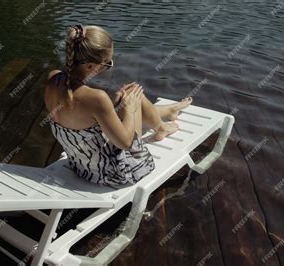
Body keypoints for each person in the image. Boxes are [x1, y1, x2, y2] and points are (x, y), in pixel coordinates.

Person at [44, 24, 192, 186]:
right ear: (90, 66)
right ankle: (161, 127)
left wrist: (115, 104)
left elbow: (80, 117)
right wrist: (129, 109)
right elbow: (126, 143)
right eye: (107, 64)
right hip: (114, 173)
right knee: (134, 96)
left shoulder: (53, 78)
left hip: (81, 166)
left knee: (128, 98)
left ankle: (168, 112)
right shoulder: (96, 98)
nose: (107, 68)